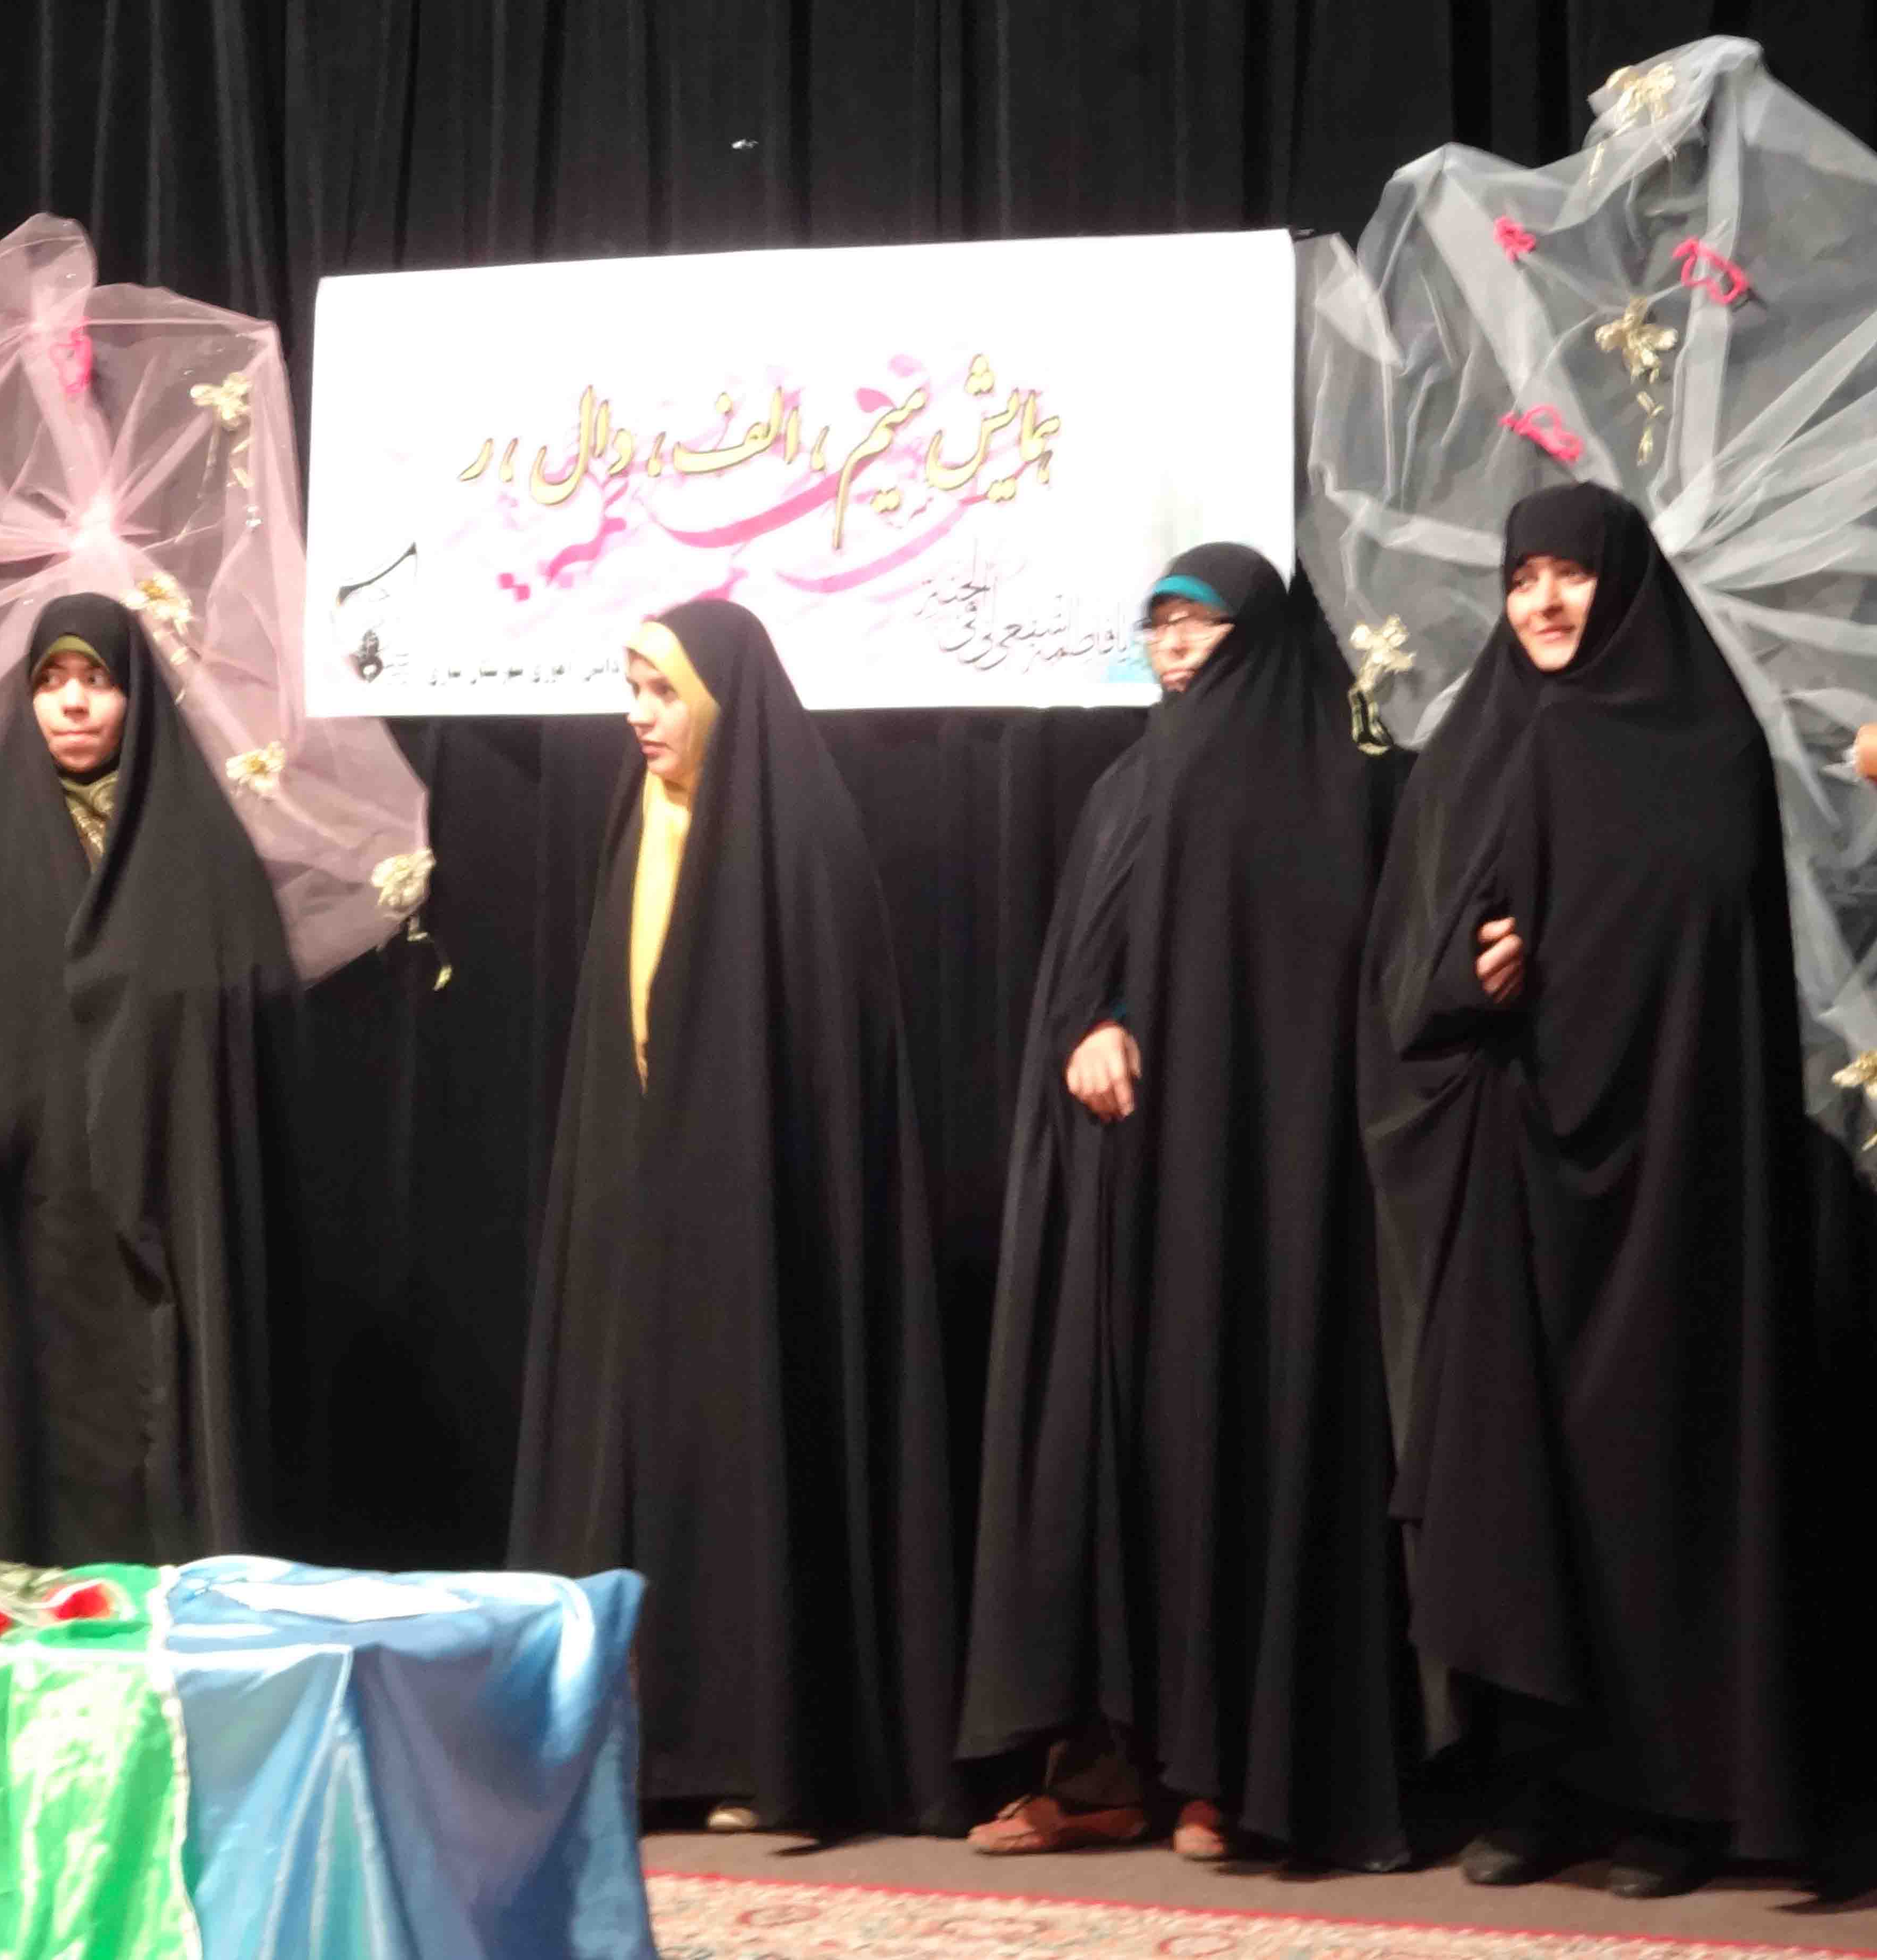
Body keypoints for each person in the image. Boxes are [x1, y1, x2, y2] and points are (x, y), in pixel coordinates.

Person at [1360, 481, 1811, 1898]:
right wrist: (1464, 977)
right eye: (1521, 579)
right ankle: (1542, 1787)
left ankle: (1677, 1803)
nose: (1544, 602)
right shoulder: (1474, 743)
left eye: (1570, 574)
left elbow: (1720, 939)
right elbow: (1401, 969)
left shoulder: (1706, 743)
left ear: (1626, 584)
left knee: (1654, 1481)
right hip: (1519, 1178)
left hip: (1671, 1177)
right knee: (1519, 1486)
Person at [958, 545, 1415, 1870]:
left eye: (1198, 625)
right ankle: (1110, 1768)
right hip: (1137, 1186)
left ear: (1260, 638)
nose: (1170, 644)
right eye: (1156, 623)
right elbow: (1083, 965)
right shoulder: (1128, 786)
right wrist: (1090, 1024)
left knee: (1248, 1450)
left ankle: (1233, 1774)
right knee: (1118, 1460)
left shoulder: (1348, 789)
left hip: (1277, 1200)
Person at [508, 599, 962, 1840]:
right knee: (629, 1457)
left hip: (757, 1224)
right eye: (631, 689)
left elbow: (827, 1076)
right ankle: (631, 1743)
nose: (638, 716)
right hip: (639, 1212)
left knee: (746, 1456)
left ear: (720, 700)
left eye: (663, 692)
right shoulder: (637, 828)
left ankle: (758, 1750)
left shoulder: (801, 841)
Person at [0, 594, 297, 1564]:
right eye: (50, 682)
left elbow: (246, 1019)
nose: (73, 704)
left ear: (137, 697)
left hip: (161, 1217)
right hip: (25, 1231)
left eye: (97, 680)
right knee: (26, 1461)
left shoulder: (202, 861)